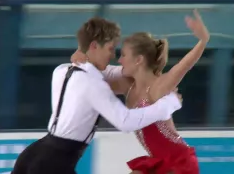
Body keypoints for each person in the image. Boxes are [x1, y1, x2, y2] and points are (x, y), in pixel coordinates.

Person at [11, 17, 183, 174]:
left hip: (33, 155)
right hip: (54, 165)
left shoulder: (63, 70)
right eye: (110, 49)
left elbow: (115, 72)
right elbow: (125, 122)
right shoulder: (93, 84)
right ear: (94, 46)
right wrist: (169, 104)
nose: (113, 55)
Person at [71, 10, 209, 174]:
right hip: (157, 161)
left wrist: (203, 40)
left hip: (178, 162)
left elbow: (184, 65)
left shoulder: (159, 86)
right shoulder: (126, 85)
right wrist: (83, 52)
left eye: (123, 55)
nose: (119, 60)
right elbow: (90, 76)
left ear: (138, 60)